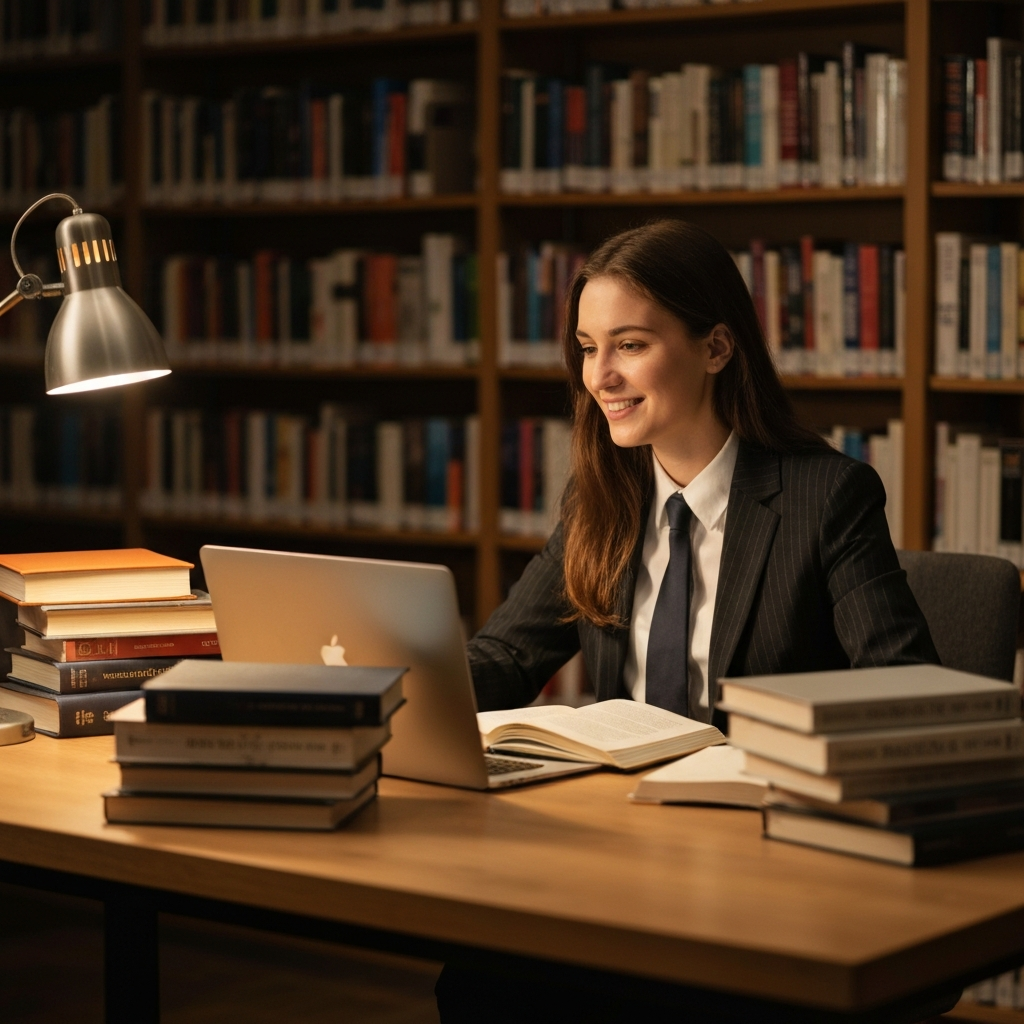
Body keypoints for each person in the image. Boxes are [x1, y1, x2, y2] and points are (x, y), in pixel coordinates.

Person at [436, 220, 938, 1023]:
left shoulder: (825, 498)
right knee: (481, 976)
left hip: (761, 859)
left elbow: (904, 690)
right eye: (587, 346)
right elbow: (506, 655)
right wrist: (380, 684)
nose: (601, 375)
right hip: (618, 846)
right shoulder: (602, 498)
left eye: (629, 344)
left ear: (715, 348)